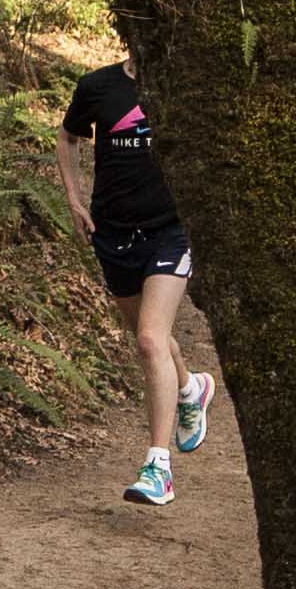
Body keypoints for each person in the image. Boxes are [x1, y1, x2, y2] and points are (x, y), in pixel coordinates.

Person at [59, 54, 215, 505]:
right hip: (112, 232)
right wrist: (73, 199)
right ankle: (192, 386)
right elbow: (68, 136)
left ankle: (158, 467)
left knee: (149, 340)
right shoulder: (98, 86)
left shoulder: (184, 86)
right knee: (152, 338)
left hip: (170, 230)